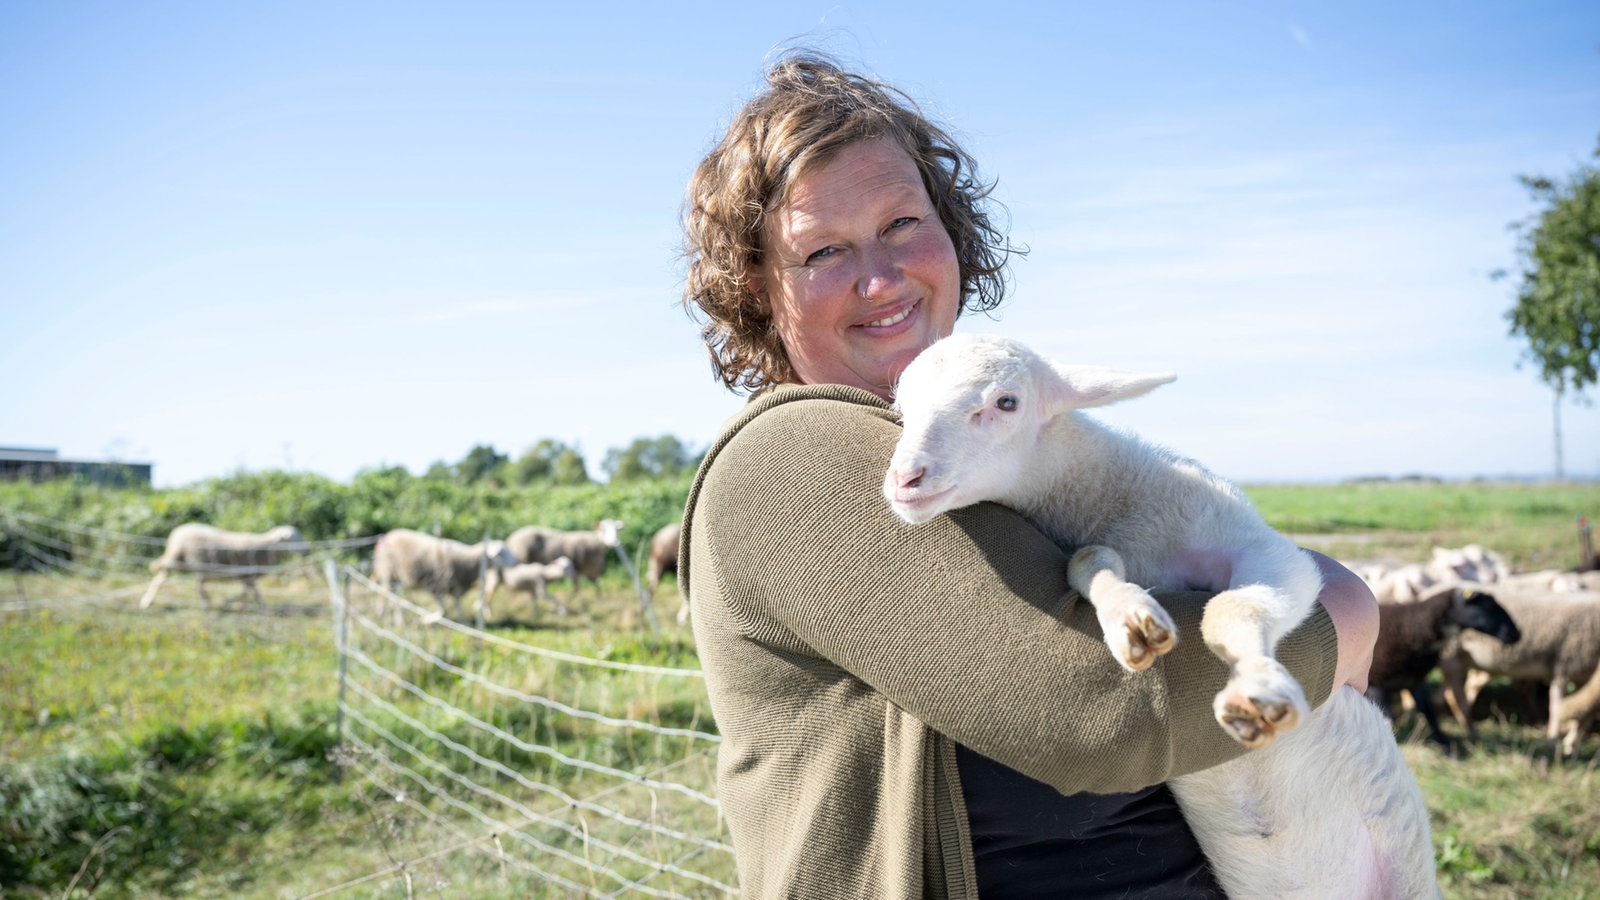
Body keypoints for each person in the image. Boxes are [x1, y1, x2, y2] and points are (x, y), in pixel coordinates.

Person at [677, 52, 1377, 900]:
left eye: (903, 223)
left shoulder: (982, 453)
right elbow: (1100, 718)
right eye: (824, 249)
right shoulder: (793, 459)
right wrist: (1337, 620)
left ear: (951, 229)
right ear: (759, 286)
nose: (880, 276)